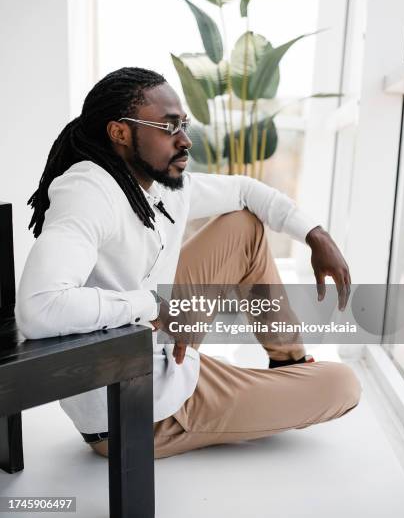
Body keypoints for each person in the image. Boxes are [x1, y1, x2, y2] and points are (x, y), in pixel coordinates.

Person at [16, 67, 361, 460]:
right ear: (120, 133)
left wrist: (316, 234)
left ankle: (291, 361)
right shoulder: (87, 192)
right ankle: (290, 381)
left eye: (184, 123)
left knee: (242, 224)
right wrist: (150, 305)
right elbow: (39, 308)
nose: (185, 140)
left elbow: (245, 191)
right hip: (138, 405)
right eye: (168, 127)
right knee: (343, 385)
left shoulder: (156, 182)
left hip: (162, 342)